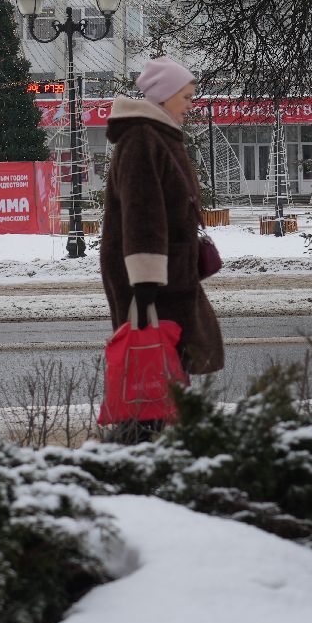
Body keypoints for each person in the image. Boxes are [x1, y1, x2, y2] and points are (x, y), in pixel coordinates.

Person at [100, 56, 225, 380]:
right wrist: (144, 290)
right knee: (152, 371)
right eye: (185, 97)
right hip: (153, 281)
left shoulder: (157, 135)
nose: (190, 105)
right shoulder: (143, 138)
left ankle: (151, 427)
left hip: (168, 274)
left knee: (163, 370)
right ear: (164, 96)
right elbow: (142, 214)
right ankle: (141, 430)